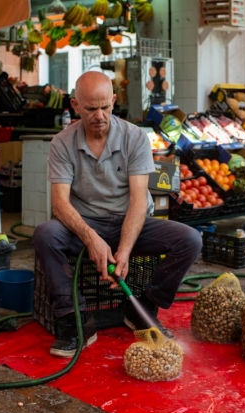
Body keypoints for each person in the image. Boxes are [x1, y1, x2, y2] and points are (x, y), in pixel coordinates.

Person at [32, 71, 202, 358]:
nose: (99, 115)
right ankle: (73, 319)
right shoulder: (62, 143)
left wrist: (123, 250)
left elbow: (138, 201)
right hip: (85, 224)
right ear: (75, 105)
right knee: (45, 234)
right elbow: (59, 204)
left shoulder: (134, 137)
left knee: (190, 240)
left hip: (129, 222)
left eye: (105, 107)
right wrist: (91, 238)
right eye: (90, 109)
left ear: (113, 101)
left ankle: (143, 307)